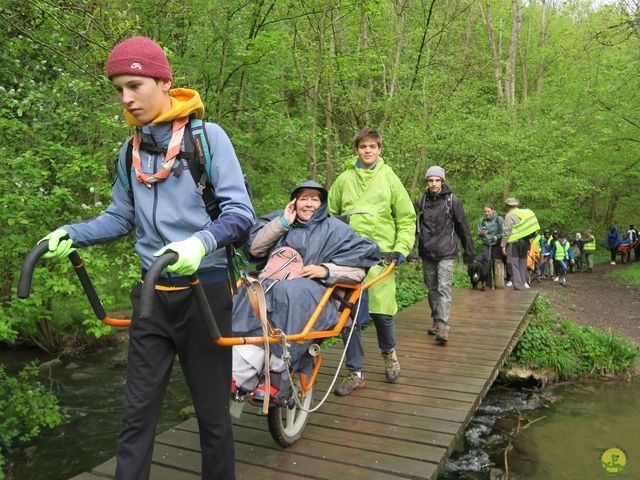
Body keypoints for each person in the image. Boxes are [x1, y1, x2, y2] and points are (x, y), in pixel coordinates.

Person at [37, 37, 255, 480]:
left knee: (213, 416)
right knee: (136, 417)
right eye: (118, 88)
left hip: (205, 293)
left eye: (134, 85)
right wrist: (70, 234)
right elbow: (121, 217)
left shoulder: (206, 139)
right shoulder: (129, 150)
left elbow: (240, 213)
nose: (126, 98)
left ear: (164, 81)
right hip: (151, 295)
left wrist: (200, 243)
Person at [231, 181, 380, 402]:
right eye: (304, 198)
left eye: (314, 199)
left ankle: (278, 376)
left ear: (322, 203)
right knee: (249, 291)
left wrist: (325, 269)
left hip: (313, 293)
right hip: (273, 286)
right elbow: (255, 249)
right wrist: (283, 222)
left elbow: (359, 268)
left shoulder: (336, 229)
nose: (309, 204)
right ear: (295, 201)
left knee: (290, 292)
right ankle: (239, 377)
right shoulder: (281, 221)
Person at [328, 127, 416, 395]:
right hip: (348, 257)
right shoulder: (343, 179)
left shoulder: (389, 177)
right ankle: (354, 372)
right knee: (348, 314)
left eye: (373, 146)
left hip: (381, 255)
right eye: (363, 146)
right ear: (357, 149)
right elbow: (328, 217)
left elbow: (406, 216)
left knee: (382, 312)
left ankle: (389, 353)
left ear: (379, 150)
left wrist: (401, 248)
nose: (368, 150)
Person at [414, 166, 474, 344]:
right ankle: (436, 319)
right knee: (432, 289)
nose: (434, 184)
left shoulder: (452, 201)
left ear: (442, 181)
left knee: (443, 288)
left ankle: (443, 326)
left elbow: (464, 228)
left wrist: (469, 253)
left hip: (447, 252)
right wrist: (412, 250)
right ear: (426, 182)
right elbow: (412, 228)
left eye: (437, 180)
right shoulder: (420, 202)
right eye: (430, 180)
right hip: (427, 253)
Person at [500, 198, 540, 291]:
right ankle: (523, 283)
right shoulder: (524, 213)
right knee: (522, 262)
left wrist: (503, 245)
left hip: (515, 242)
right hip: (526, 242)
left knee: (514, 263)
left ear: (508, 206)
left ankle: (518, 286)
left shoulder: (509, 215)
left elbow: (507, 231)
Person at [477, 204, 503, 288]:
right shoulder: (482, 220)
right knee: (486, 264)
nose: (487, 213)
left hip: (496, 244)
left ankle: (498, 284)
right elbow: (478, 232)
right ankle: (487, 285)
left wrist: (497, 237)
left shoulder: (499, 219)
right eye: (485, 211)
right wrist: (481, 233)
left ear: (493, 211)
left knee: (496, 264)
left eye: (488, 211)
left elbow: (504, 232)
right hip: (486, 244)